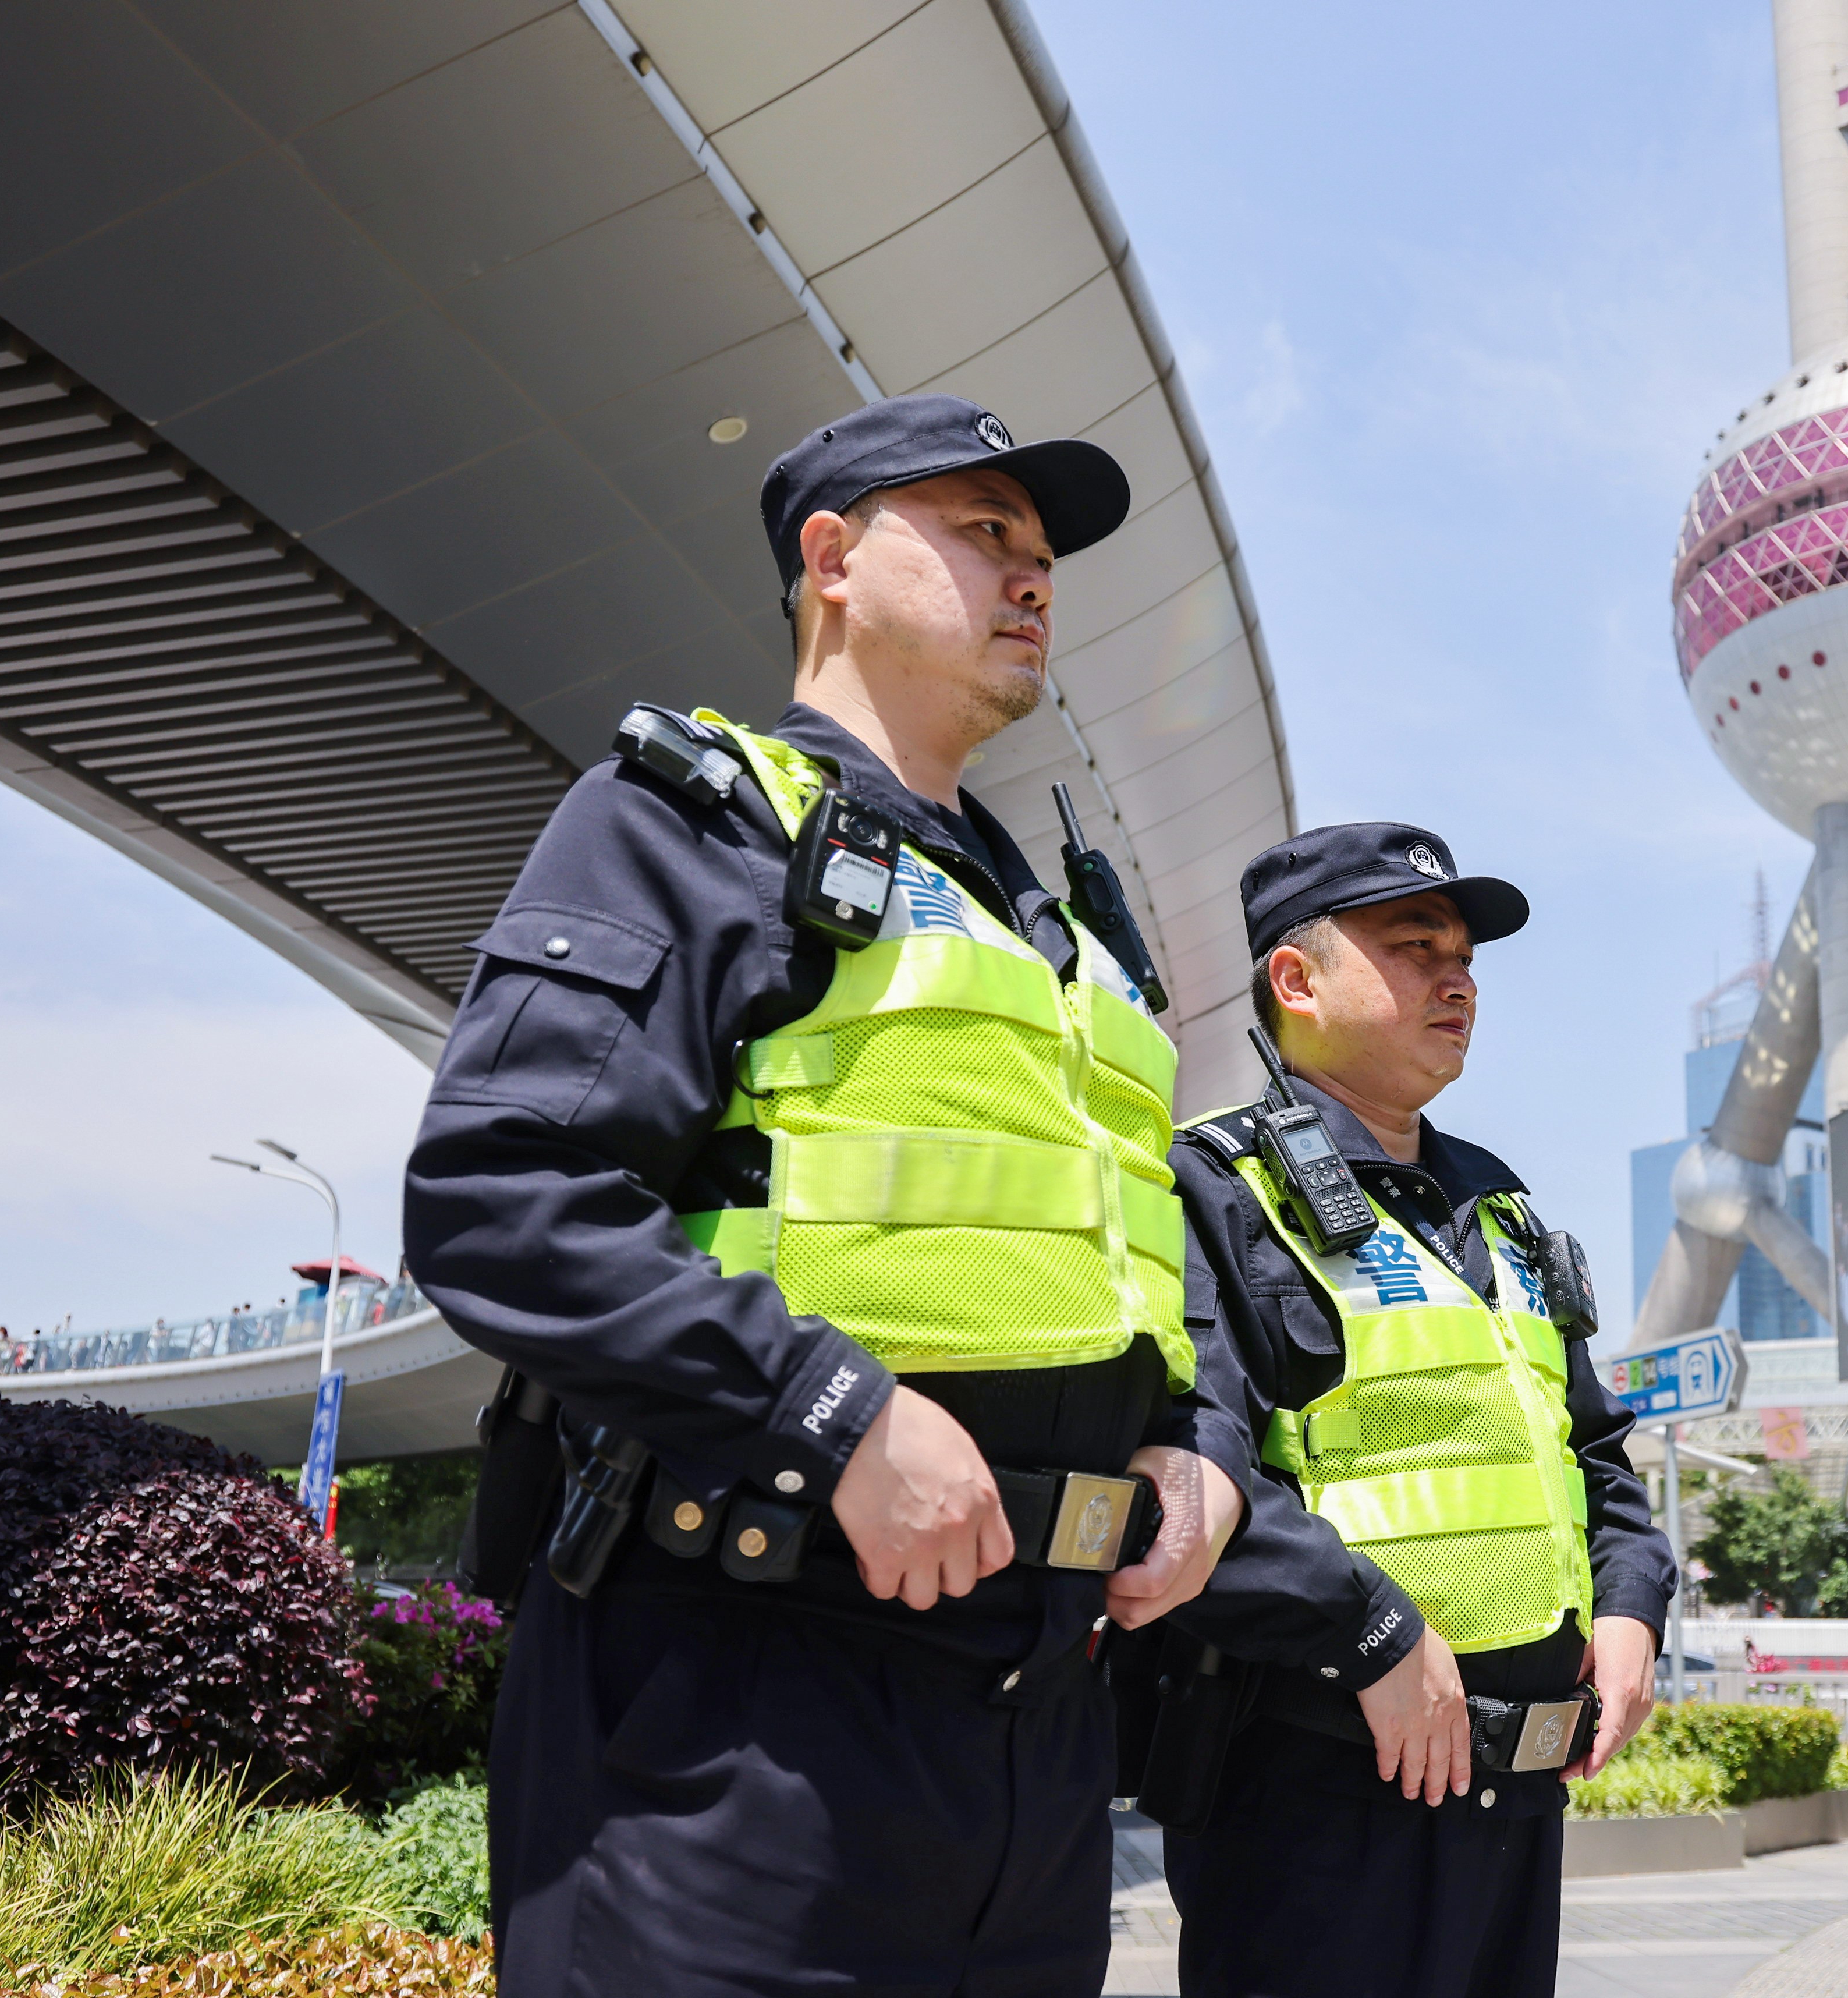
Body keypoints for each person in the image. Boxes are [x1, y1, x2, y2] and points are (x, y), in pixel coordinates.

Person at [402, 395, 1250, 1996]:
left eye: (1043, 553)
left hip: (1038, 1733)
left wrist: (1201, 1451)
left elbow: (1144, 1252)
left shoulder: (1061, 942)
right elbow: (502, 1195)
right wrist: (832, 1416)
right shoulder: (693, 821)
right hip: (742, 1699)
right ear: (833, 560)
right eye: (985, 531)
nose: (1032, 576)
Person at [1150, 824, 1676, 1998]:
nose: (1459, 981)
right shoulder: (1212, 1189)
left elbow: (1590, 1447)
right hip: (1318, 1793)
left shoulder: (1502, 1208)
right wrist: (1373, 1632)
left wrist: (1633, 1606)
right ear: (1297, 981)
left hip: (1519, 1799)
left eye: (1466, 960)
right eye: (1414, 949)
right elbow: (1190, 1470)